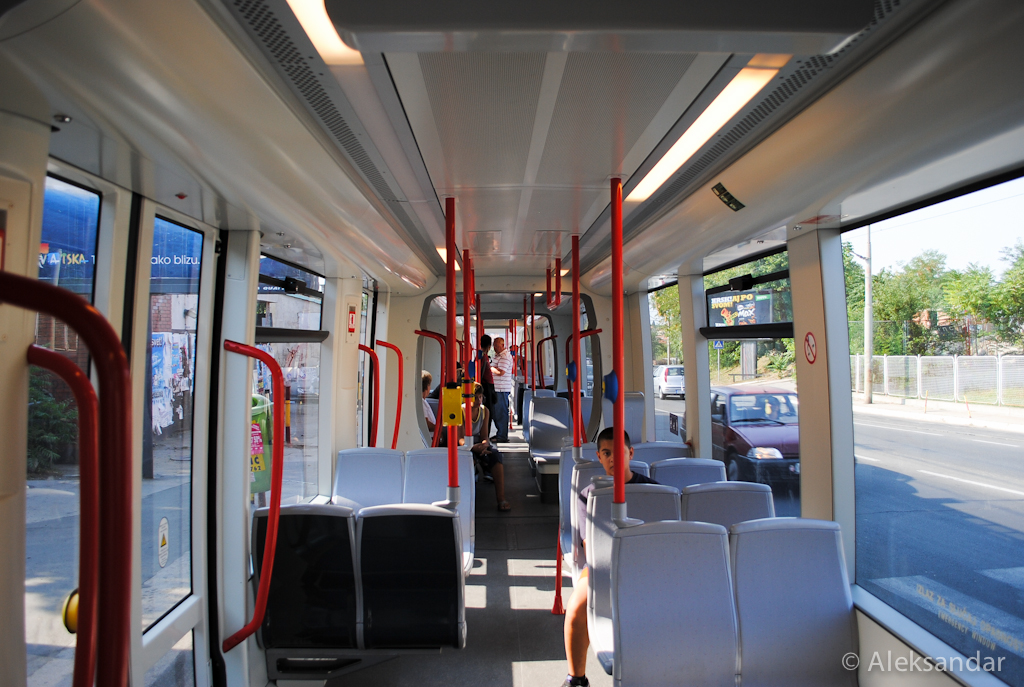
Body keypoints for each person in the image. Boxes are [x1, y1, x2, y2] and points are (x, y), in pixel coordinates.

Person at [562, 428, 657, 687]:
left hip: (651, 564)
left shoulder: (655, 491)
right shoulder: (588, 496)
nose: (613, 458)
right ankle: (576, 676)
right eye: (607, 453)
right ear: (600, 457)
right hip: (602, 564)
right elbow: (589, 544)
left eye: (618, 452)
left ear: (630, 453)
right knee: (577, 605)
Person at [467, 383, 510, 511]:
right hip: (466, 446)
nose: (479, 400)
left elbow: (484, 435)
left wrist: (485, 444)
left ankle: (501, 498)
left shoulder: (484, 411)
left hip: (479, 445)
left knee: (496, 456)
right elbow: (461, 438)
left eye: (480, 397)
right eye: (476, 397)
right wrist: (474, 447)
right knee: (469, 460)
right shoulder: (461, 411)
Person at [490, 337, 513, 443]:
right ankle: (500, 434)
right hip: (497, 388)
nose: (495, 348)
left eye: (497, 346)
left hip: (501, 389)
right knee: (496, 412)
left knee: (501, 412)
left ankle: (502, 436)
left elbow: (501, 372)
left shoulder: (504, 357)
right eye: (494, 346)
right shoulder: (498, 356)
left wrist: (489, 368)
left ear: (503, 345)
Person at [478, 334, 496, 438]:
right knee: (488, 413)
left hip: (486, 387)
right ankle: (485, 438)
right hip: (486, 388)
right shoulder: (482, 357)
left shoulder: (481, 356)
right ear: (489, 346)